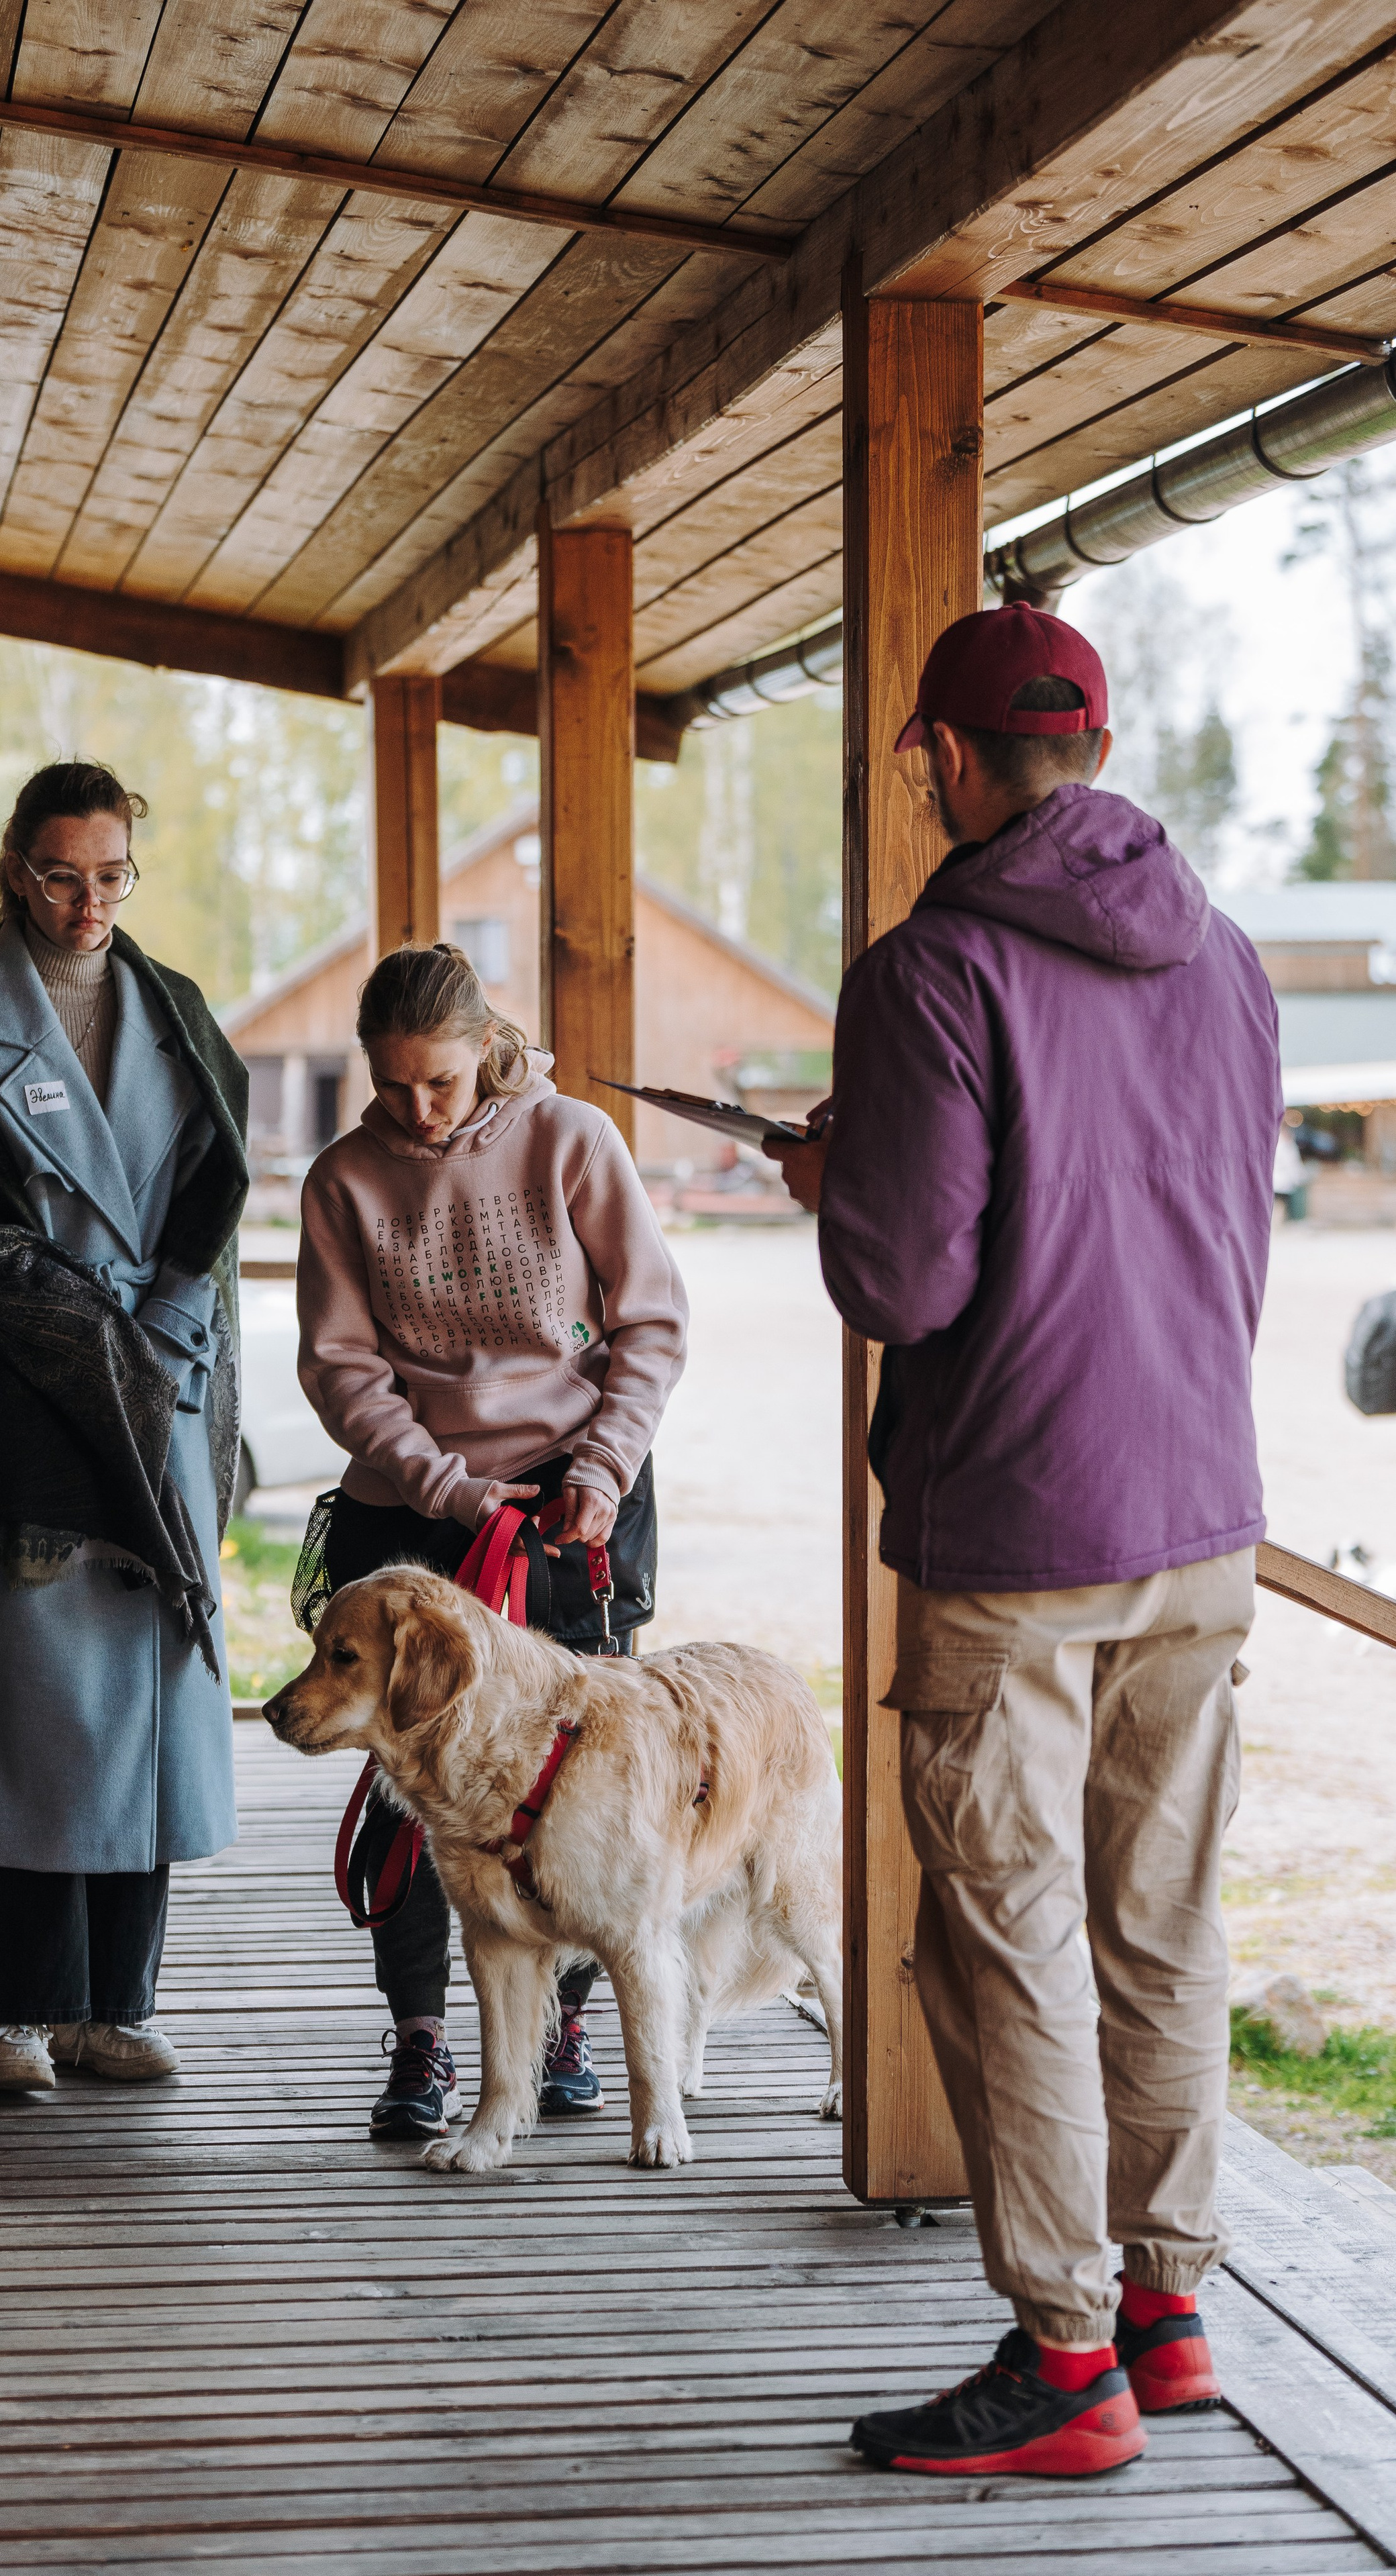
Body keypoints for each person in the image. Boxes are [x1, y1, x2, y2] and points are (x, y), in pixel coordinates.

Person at [772, 605, 1281, 2478]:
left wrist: (835, 1179)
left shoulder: (932, 971)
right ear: (1101, 741)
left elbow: (908, 1273)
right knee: (1165, 1919)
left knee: (1012, 1943)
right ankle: (1168, 2299)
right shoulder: (1227, 957)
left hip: (1018, 1517)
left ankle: (1067, 2361)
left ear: (950, 760)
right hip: (1203, 1503)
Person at [0, 761, 250, 2092]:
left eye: (110, 874)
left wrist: (164, 1327)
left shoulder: (181, 1015)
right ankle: (8, 2012)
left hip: (160, 1396)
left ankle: (115, 2002)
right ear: (13, 869)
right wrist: (98, 1334)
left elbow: (216, 1196)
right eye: (60, 873)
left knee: (143, 1713)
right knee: (29, 1720)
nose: (86, 900)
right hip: (14, 1409)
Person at [297, 943, 688, 2139]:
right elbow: (342, 1366)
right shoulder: (345, 1178)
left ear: (488, 1051)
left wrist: (604, 1472)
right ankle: (422, 2037)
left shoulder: (571, 1139)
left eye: (443, 1086)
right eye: (394, 1084)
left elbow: (653, 1319)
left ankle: (559, 2021)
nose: (418, 1110)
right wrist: (449, 1489)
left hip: (574, 1492)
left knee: (574, 1769)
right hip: (417, 1505)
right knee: (413, 1769)